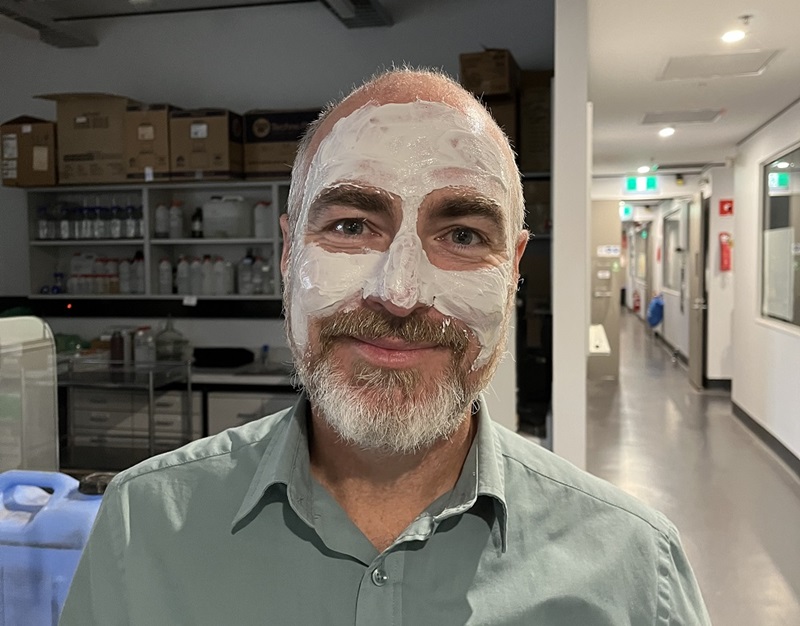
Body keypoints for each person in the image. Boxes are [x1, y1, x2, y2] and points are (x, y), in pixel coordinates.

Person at [60, 68, 711, 625]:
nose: (398, 294)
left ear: (513, 269)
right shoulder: (141, 526)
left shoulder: (633, 572)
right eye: (350, 224)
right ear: (289, 253)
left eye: (461, 234)